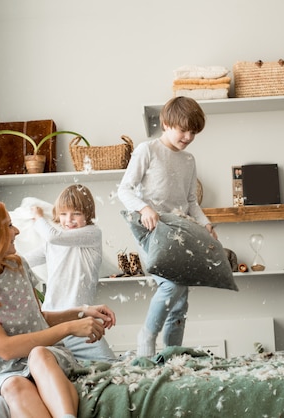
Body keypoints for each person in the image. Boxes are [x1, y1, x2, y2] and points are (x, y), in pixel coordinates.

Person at [0, 195, 116, 418]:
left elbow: (38, 318)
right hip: (1, 369)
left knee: (38, 355)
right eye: (8, 226)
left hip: (45, 355)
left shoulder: (17, 265)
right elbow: (5, 349)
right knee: (14, 385)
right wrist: (70, 327)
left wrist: (82, 311)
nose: (16, 231)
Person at [117, 96, 217, 358]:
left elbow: (191, 201)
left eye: (193, 132)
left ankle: (172, 356)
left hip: (179, 232)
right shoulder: (147, 150)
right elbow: (124, 190)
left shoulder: (188, 160)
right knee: (171, 286)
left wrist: (206, 225)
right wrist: (145, 208)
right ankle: (147, 336)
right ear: (165, 123)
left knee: (180, 301)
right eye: (183, 129)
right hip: (151, 229)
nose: (188, 136)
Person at [25, 184, 116, 362]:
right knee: (52, 364)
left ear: (87, 214)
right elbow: (25, 261)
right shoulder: (51, 245)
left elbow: (53, 236)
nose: (69, 220)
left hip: (80, 322)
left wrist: (38, 218)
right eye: (64, 214)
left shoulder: (92, 233)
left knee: (110, 365)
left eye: (76, 214)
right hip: (51, 321)